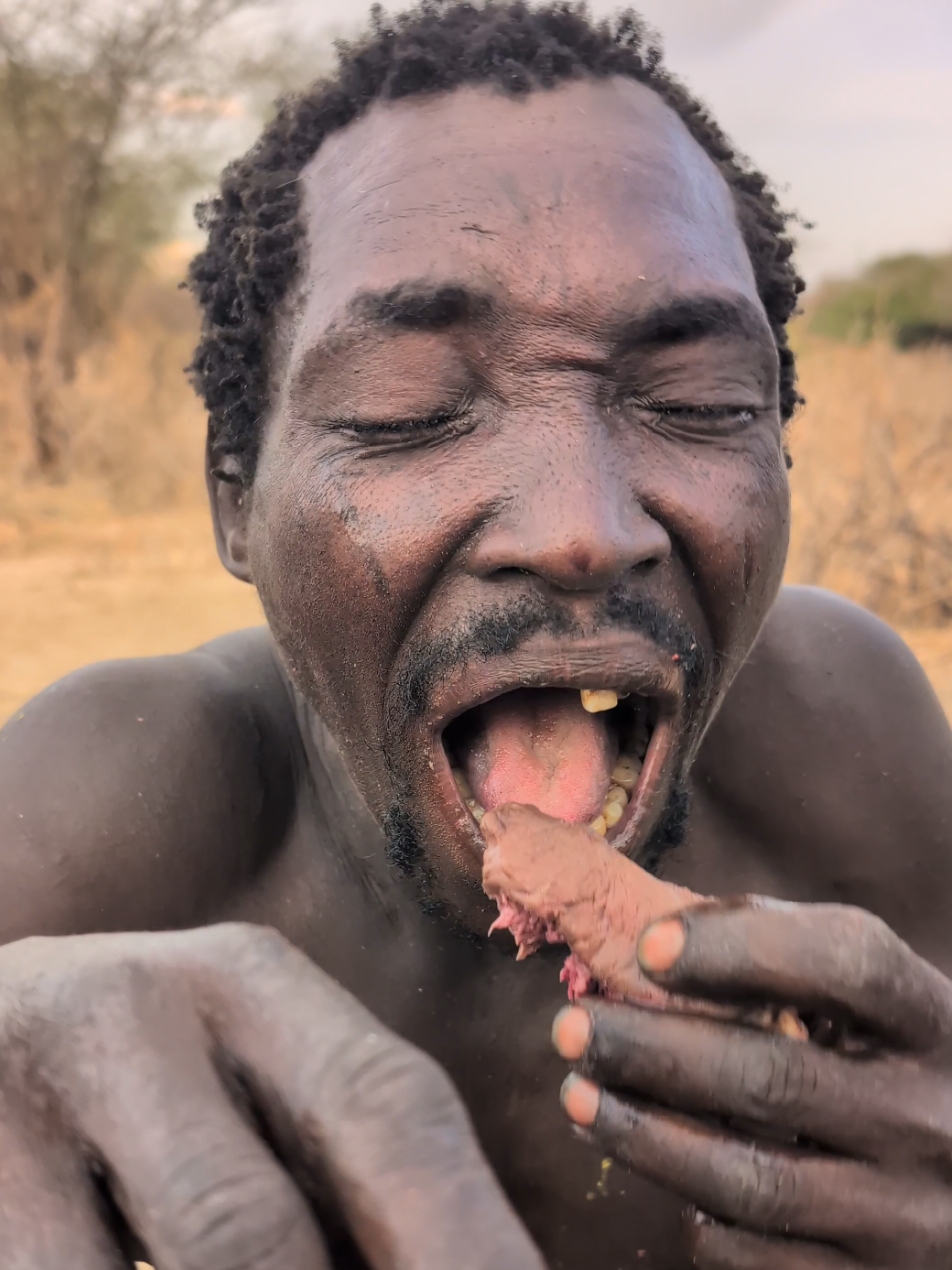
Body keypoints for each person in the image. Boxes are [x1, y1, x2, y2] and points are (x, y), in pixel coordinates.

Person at [2, 3, 952, 1267]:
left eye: (697, 400)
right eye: (409, 408)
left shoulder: (849, 743)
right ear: (237, 495)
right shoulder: (102, 822)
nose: (579, 531)